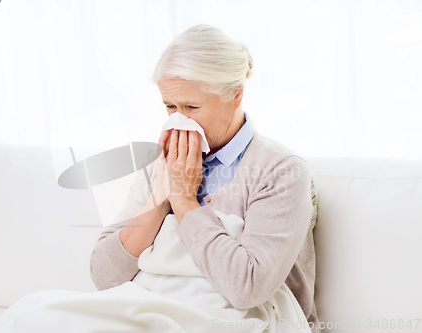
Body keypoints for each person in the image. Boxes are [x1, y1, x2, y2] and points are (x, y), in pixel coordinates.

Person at [90, 24, 320, 332]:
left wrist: (183, 199)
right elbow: (104, 276)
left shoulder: (280, 169)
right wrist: (160, 198)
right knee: (34, 314)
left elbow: (247, 288)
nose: (178, 119)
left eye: (192, 106)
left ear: (236, 95)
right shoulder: (161, 161)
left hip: (245, 321)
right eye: (170, 106)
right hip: (152, 313)